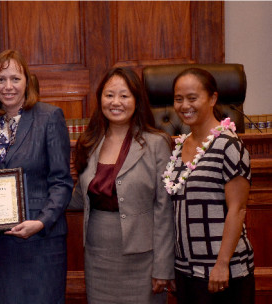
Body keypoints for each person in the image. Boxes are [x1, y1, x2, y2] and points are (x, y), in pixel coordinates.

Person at [0, 49, 73, 303]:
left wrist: (41, 222)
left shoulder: (49, 117)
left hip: (40, 241)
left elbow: (62, 182)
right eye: (1, 79)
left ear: (27, 81)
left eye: (15, 79)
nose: (8, 86)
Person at [69, 67, 174, 303]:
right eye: (109, 95)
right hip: (99, 254)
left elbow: (164, 209)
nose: (116, 102)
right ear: (100, 99)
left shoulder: (157, 143)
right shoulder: (89, 142)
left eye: (124, 96)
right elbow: (78, 197)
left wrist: (164, 267)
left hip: (144, 257)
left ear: (137, 101)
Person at [166, 68, 255, 304]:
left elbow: (237, 210)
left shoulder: (229, 145)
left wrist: (222, 264)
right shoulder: (178, 146)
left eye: (192, 98)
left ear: (212, 98)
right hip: (186, 270)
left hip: (221, 273)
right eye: (178, 99)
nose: (185, 105)